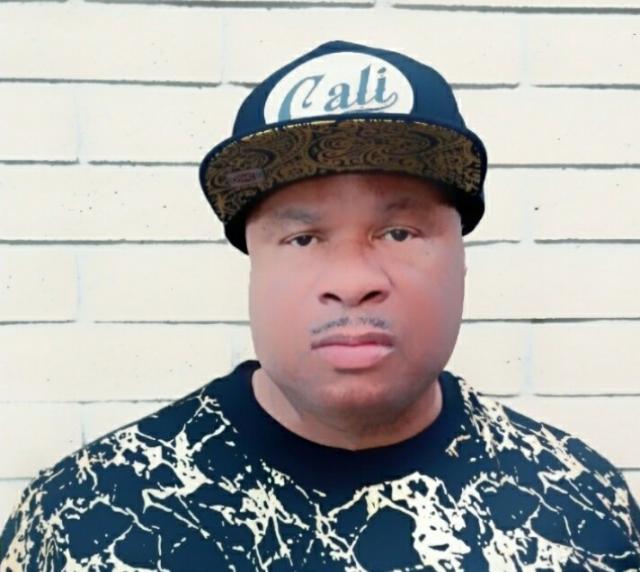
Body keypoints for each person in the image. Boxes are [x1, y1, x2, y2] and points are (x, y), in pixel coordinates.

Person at [1, 39, 639, 572]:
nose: (352, 281)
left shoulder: (578, 505)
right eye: (303, 238)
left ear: (461, 258)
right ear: (254, 264)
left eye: (399, 233)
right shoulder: (86, 516)